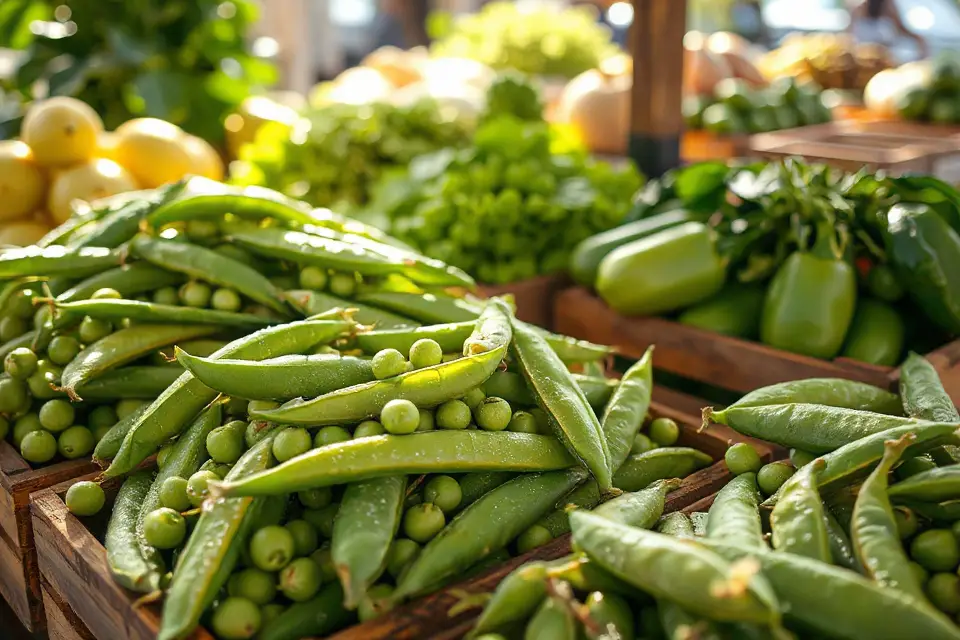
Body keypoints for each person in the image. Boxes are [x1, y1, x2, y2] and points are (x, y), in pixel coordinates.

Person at [848, 0, 929, 58]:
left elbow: (903, 29)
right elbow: (849, 38)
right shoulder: (857, 10)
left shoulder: (889, 7)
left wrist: (919, 40)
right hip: (863, 61)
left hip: (886, 61)